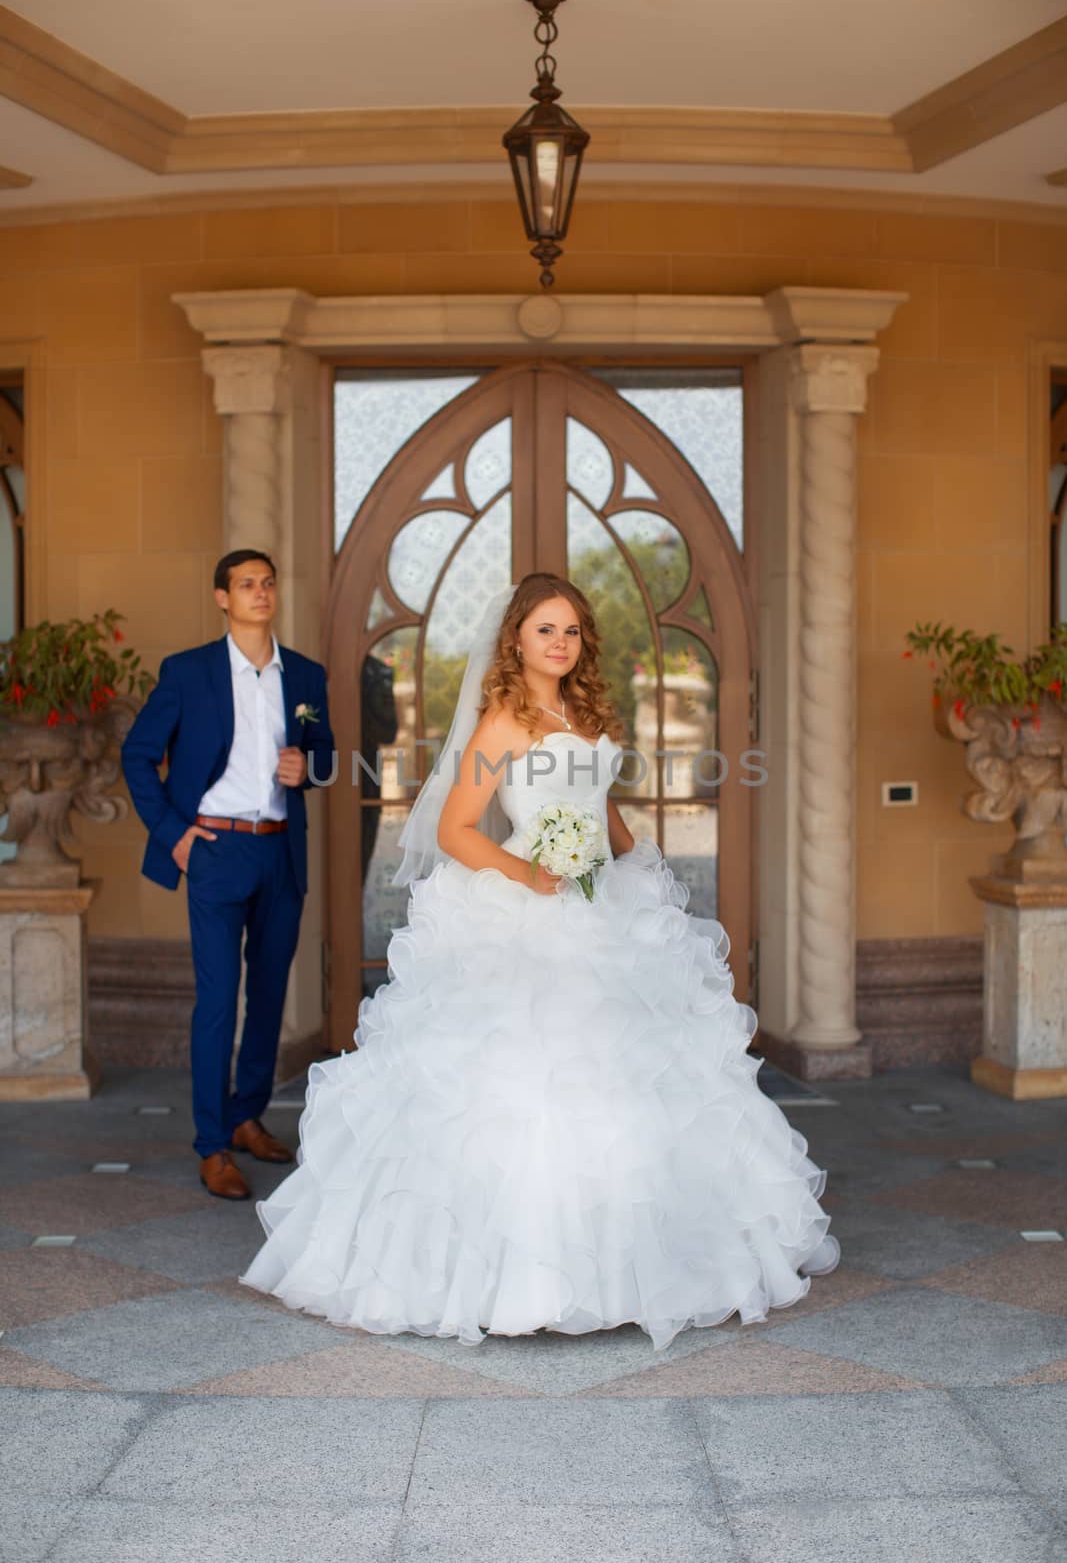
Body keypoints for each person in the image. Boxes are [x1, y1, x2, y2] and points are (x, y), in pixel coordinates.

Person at [242, 572, 839, 1349]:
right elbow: (456, 828)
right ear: (514, 639)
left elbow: (596, 803)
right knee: (528, 1074)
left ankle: (645, 1265)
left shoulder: (583, 710)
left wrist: (637, 861)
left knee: (639, 1072)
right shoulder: (502, 722)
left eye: (570, 631)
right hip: (530, 903)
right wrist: (530, 874)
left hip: (604, 900)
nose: (559, 643)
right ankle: (517, 1276)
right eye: (544, 630)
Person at [121, 550, 335, 1200]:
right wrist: (175, 836)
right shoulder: (187, 673)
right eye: (247, 584)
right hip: (214, 849)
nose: (261, 593)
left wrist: (312, 768)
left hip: (279, 851)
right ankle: (212, 1145)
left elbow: (324, 752)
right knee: (218, 1002)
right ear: (222, 598)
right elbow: (137, 755)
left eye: (268, 583)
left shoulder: (303, 674)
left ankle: (246, 1117)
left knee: (269, 994)